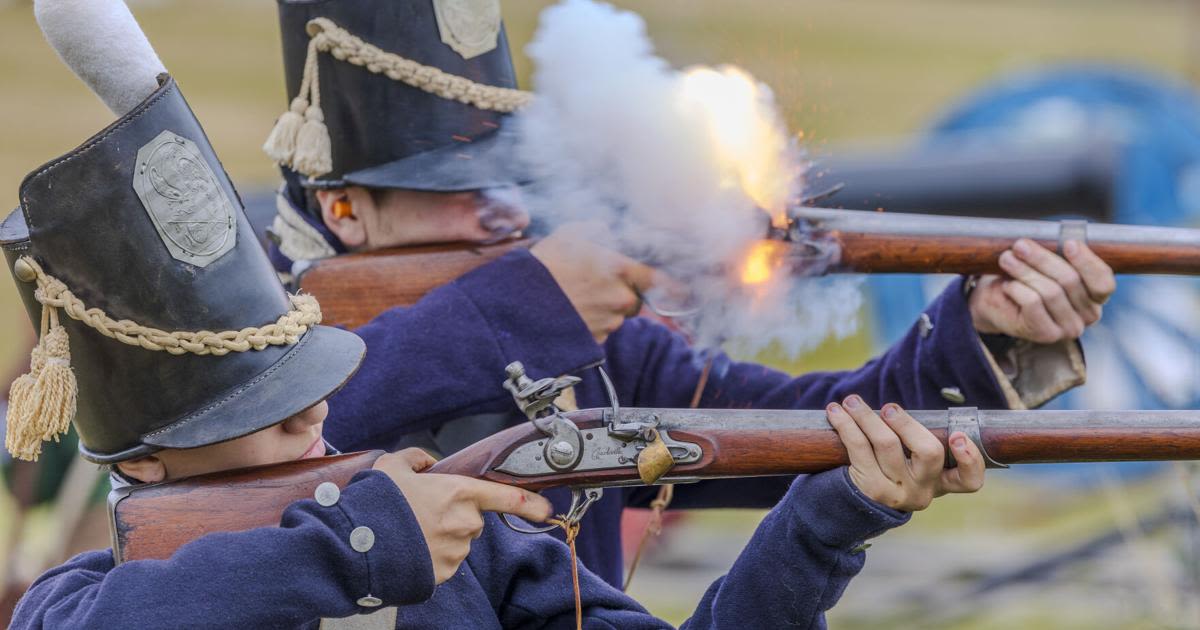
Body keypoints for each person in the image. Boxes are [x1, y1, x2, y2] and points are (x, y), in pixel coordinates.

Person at [6, 71, 990, 630]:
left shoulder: (479, 549)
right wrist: (358, 545)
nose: (311, 415)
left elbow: (826, 417)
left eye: (308, 385)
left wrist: (825, 524)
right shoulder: (94, 599)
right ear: (344, 208)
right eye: (257, 406)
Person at [264, 0, 1116, 588]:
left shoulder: (577, 323)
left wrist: (978, 331)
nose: (506, 210)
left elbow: (805, 429)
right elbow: (273, 447)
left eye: (511, 178)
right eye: (461, 185)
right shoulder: (246, 326)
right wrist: (524, 305)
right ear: (344, 207)